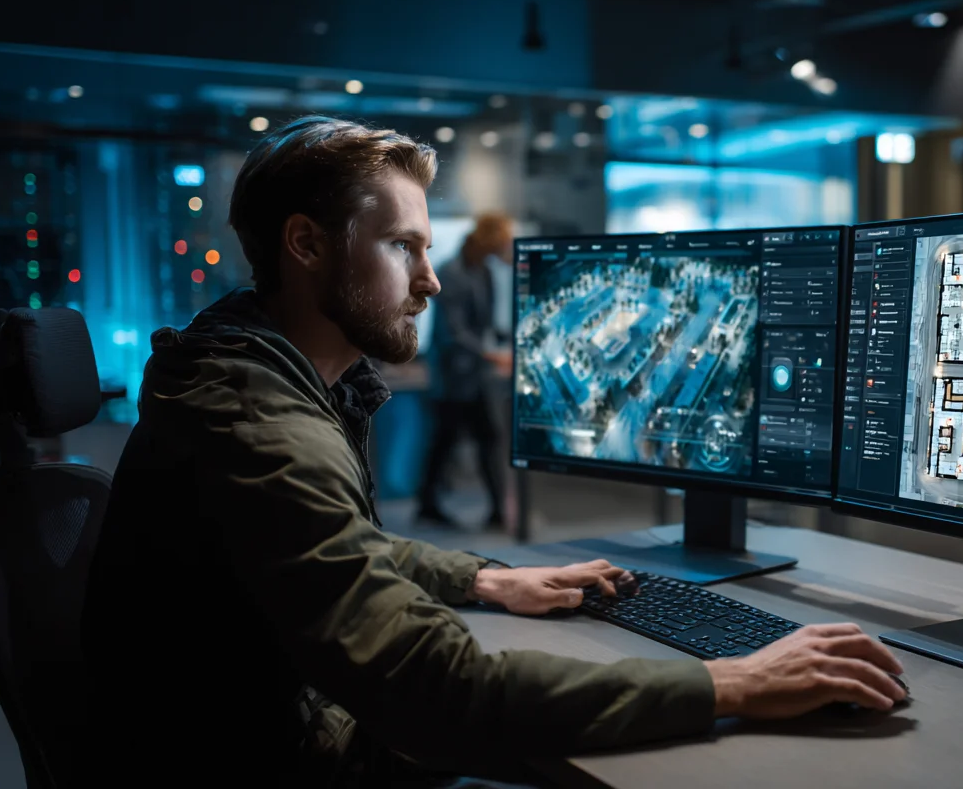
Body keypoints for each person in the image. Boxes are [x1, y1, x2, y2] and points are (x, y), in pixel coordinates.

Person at [79, 116, 906, 786]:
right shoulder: (261, 423)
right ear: (305, 244)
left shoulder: (257, 376)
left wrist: (485, 578)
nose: (430, 280)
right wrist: (733, 682)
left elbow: (338, 546)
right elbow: (436, 691)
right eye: (403, 245)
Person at [416, 213, 513, 529]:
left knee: (480, 439)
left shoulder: (484, 270)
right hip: (453, 378)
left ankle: (496, 510)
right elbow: (453, 333)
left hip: (474, 376)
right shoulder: (450, 272)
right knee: (448, 442)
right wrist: (490, 354)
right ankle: (430, 504)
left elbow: (481, 324)